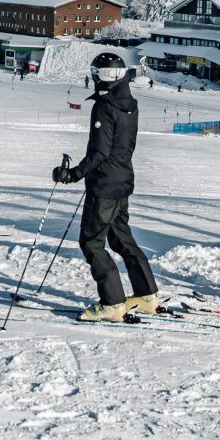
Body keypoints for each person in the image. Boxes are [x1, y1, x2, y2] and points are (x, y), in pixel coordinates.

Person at [52, 51, 158, 322]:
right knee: (121, 238)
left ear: (103, 76)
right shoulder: (129, 104)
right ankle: (146, 295)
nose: (93, 77)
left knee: (92, 242)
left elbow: (99, 153)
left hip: (105, 185)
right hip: (122, 180)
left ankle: (113, 303)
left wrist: (73, 174)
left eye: (95, 73)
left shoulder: (104, 106)